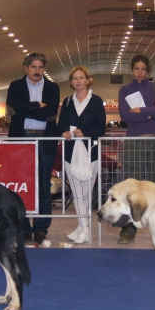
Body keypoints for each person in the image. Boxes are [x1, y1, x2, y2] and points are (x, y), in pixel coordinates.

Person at [6, 52, 60, 244]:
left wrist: (27, 109)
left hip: (44, 141)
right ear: (26, 68)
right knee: (21, 185)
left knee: (44, 185)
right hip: (21, 141)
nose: (37, 71)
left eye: (40, 67)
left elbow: (51, 112)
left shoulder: (53, 87)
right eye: (33, 67)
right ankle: (23, 228)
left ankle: (40, 228)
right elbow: (13, 109)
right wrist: (38, 106)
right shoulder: (15, 86)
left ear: (44, 69)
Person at [117, 54, 155, 244]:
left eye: (143, 69)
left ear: (148, 71)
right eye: (137, 69)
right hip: (134, 141)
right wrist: (150, 114)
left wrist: (140, 111)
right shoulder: (125, 89)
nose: (140, 72)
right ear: (132, 70)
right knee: (131, 186)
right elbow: (124, 115)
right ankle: (128, 229)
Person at [57, 65, 106, 244]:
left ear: (87, 80)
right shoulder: (68, 102)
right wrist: (64, 133)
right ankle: (84, 227)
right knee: (77, 192)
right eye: (75, 78)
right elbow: (61, 124)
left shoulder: (96, 101)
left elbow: (101, 128)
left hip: (90, 153)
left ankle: (83, 227)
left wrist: (83, 132)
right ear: (71, 82)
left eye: (81, 77)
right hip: (70, 154)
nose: (78, 81)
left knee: (85, 192)